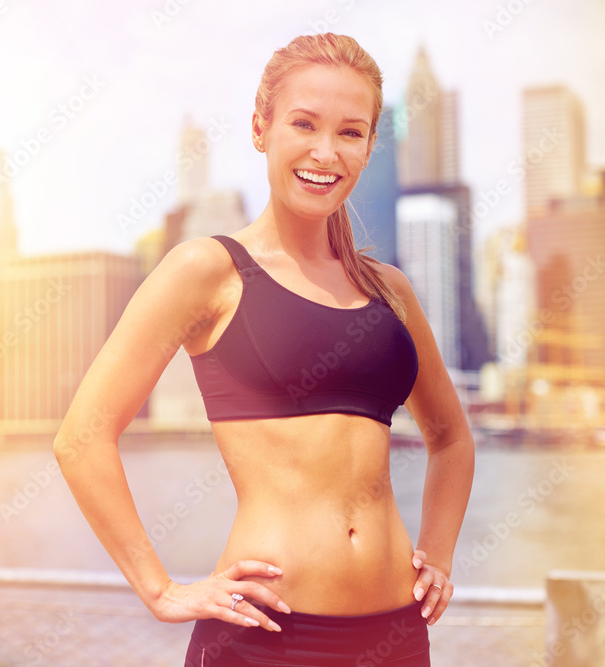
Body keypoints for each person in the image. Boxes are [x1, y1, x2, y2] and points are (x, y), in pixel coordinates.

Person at [53, 32, 474, 666]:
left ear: (369, 147)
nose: (325, 151)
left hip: (395, 638)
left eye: (351, 132)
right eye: (303, 123)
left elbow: (452, 438)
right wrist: (160, 590)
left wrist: (437, 555)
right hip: (266, 641)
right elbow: (82, 437)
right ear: (261, 128)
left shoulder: (392, 291)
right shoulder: (209, 270)